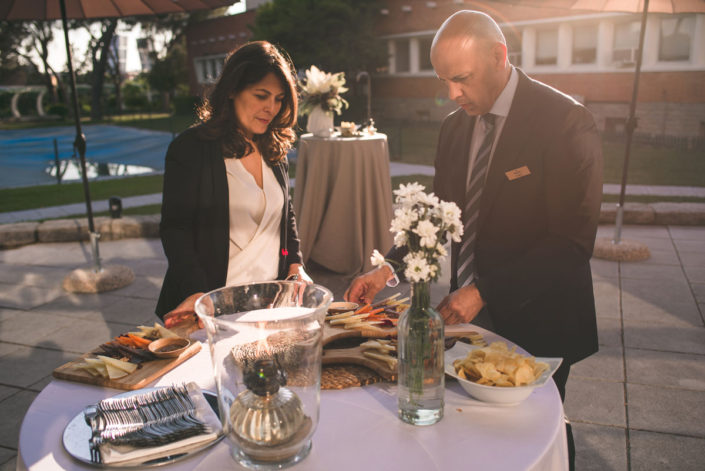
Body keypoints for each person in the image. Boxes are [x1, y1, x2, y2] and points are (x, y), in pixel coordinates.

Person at [345, 10, 602, 467]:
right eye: (443, 80)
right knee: (475, 443)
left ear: (499, 56)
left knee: (537, 436)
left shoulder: (565, 121)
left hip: (541, 317)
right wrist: (386, 269)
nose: (451, 94)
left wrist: (484, 291)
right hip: (469, 323)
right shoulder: (454, 127)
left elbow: (571, 242)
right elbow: (438, 215)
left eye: (460, 79)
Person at [156, 41, 311, 327]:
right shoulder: (190, 148)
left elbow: (284, 216)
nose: (271, 108)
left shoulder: (274, 149)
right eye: (261, 95)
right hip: (211, 310)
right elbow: (175, 230)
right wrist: (197, 293)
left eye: (278, 99)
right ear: (231, 90)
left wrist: (293, 263)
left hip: (268, 309)